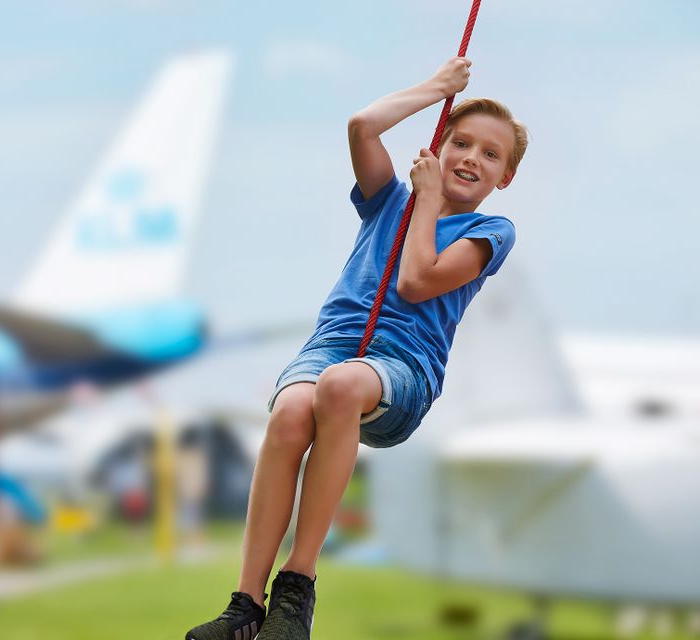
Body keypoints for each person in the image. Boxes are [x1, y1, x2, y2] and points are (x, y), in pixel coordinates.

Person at [185, 55, 528, 640]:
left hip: (403, 367)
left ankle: (298, 585)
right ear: (438, 146)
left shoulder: (489, 232)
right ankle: (245, 603)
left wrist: (426, 201)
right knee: (292, 411)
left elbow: (415, 281)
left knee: (339, 387)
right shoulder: (387, 199)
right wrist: (437, 88)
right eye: (460, 143)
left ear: (505, 177)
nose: (472, 157)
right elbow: (362, 126)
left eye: (490, 154)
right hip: (334, 345)